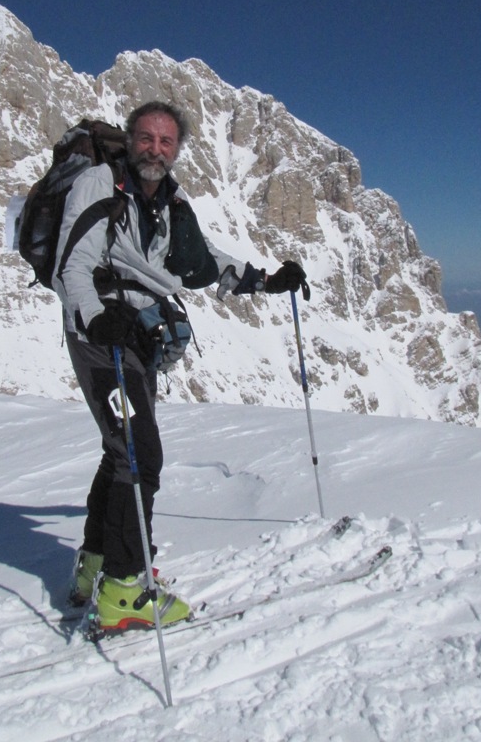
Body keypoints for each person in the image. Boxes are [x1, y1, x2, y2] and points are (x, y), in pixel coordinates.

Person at [53, 100, 309, 631]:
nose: (155, 149)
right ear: (131, 140)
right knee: (139, 456)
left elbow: (202, 262)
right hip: (102, 338)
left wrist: (264, 280)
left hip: (139, 337)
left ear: (177, 150)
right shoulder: (101, 185)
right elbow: (72, 263)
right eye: (146, 138)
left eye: (166, 142)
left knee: (119, 450)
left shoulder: (169, 202)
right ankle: (125, 588)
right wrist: (98, 319)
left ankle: (96, 565)